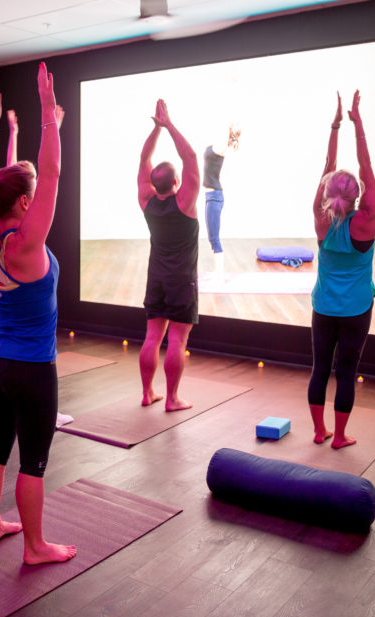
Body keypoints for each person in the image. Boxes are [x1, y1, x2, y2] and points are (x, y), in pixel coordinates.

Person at [0, 64, 75, 566]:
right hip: (34, 369)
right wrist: (47, 115)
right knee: (33, 461)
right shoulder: (29, 246)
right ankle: (35, 547)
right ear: (28, 203)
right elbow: (52, 172)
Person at [308, 90, 375, 449]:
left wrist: (335, 124)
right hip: (356, 310)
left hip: (323, 309)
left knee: (321, 368)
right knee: (346, 372)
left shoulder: (321, 220)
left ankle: (319, 432)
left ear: (327, 193)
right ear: (358, 196)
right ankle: (339, 437)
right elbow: (366, 168)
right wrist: (357, 122)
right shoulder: (365, 222)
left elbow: (326, 167)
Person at [137, 99, 201, 412]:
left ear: (153, 183)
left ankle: (148, 393)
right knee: (176, 340)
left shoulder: (146, 201)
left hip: (157, 278)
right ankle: (172, 399)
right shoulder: (185, 202)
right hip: (181, 281)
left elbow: (144, 157)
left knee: (152, 337)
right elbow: (189, 156)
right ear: (176, 183)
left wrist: (155, 129)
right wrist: (169, 124)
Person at [202, 125, 240, 279]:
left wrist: (231, 130)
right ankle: (217, 272)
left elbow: (228, 137)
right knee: (212, 237)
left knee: (214, 238)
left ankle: (219, 273)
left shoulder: (221, 148)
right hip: (210, 196)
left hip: (215, 196)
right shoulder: (215, 146)